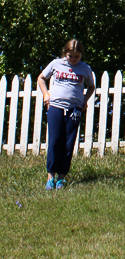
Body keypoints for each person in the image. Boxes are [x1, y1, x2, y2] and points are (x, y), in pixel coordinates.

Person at [36, 39, 95, 190]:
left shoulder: (85, 69)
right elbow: (41, 78)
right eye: (70, 56)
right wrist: (45, 95)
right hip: (56, 106)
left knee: (68, 143)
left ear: (81, 55)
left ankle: (62, 178)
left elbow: (91, 86)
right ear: (65, 54)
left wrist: (84, 101)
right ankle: (50, 178)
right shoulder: (56, 64)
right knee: (55, 141)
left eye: (77, 56)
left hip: (74, 108)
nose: (73, 59)